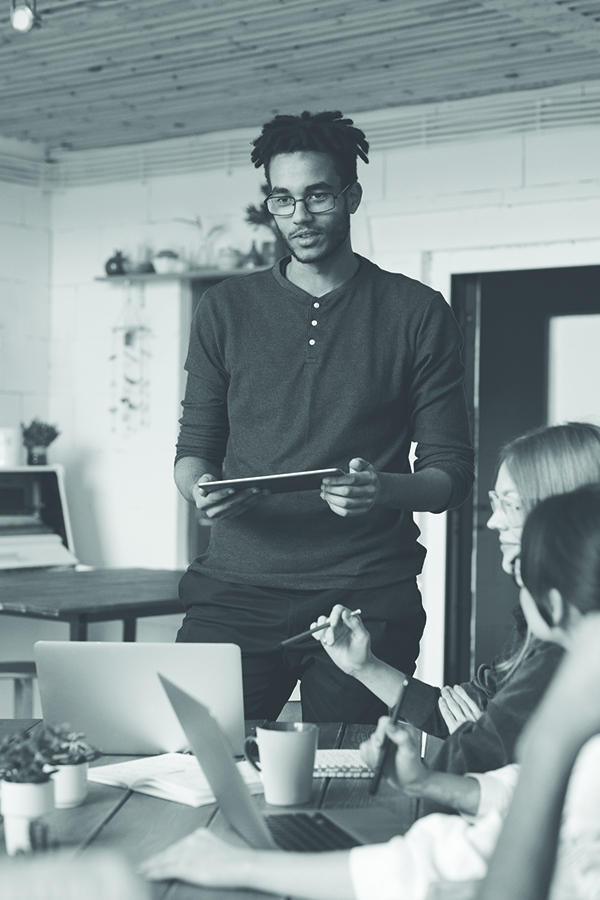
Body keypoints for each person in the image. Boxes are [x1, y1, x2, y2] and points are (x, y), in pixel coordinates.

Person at [140, 483, 600, 900]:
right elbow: (499, 764)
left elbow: (457, 865)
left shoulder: (563, 703)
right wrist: (433, 781)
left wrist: (244, 865)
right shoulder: (550, 674)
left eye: (520, 573)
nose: (496, 520)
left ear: (555, 604)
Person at [174, 109, 474, 723]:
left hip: (364, 597)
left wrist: (381, 489)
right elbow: (194, 448)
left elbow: (450, 475)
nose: (300, 217)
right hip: (235, 589)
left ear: (351, 196)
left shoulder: (417, 312)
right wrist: (199, 489)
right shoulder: (223, 310)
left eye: (318, 197)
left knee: (355, 787)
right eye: (283, 200)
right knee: (194, 763)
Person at [311, 422, 600, 773]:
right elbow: (459, 710)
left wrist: (470, 736)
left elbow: (470, 752)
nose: (492, 522)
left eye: (509, 505)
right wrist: (363, 665)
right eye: (495, 502)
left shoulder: (562, 638)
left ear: (563, 512)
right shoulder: (536, 621)